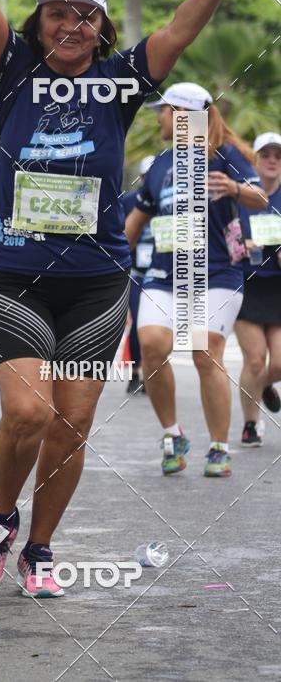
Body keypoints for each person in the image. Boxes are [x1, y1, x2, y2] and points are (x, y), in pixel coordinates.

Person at [0, 0, 264, 596]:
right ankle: (1, 514)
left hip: (97, 281)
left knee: (71, 424)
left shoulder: (121, 83)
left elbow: (179, 30)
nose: (72, 25)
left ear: (101, 28)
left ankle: (39, 548)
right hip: (15, 274)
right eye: (58, 13)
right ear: (39, 24)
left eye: (85, 16)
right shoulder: (11, 70)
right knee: (25, 410)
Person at [125, 83, 266, 479]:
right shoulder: (159, 166)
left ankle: (219, 447)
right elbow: (134, 223)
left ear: (184, 115)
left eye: (164, 111)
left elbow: (259, 196)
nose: (159, 118)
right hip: (164, 275)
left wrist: (236, 188)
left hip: (217, 273)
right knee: (151, 346)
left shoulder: (226, 155)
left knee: (206, 352)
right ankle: (173, 435)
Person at [235, 132, 281, 446]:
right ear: (255, 158)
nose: (272, 161)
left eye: (278, 156)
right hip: (246, 283)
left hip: (277, 287)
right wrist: (240, 243)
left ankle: (264, 385)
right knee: (255, 360)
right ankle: (251, 423)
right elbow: (222, 232)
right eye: (265, 154)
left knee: (277, 363)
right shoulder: (241, 193)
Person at [120, 155, 155, 394]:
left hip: (161, 272)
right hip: (135, 271)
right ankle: (134, 374)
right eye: (146, 176)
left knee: (155, 326)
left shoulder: (170, 200)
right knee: (138, 322)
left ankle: (152, 375)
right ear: (141, 177)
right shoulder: (129, 201)